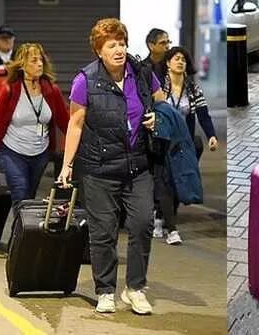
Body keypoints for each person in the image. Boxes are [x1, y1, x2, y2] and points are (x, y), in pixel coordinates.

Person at [56, 18, 165, 315]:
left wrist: (157, 117)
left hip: (138, 165)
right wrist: (67, 165)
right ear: (99, 50)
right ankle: (105, 290)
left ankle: (135, 288)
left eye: (122, 43)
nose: (119, 50)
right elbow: (75, 124)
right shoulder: (85, 80)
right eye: (112, 45)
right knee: (103, 232)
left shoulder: (141, 73)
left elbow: (162, 102)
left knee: (142, 224)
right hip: (99, 169)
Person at [0, 43, 69, 212]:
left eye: (41, 60)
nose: (40, 64)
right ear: (22, 65)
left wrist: (80, 145)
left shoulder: (52, 90)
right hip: (12, 151)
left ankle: (23, 227)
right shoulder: (9, 90)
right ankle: (20, 228)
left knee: (29, 197)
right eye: (34, 60)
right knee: (20, 194)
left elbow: (65, 122)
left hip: (40, 153)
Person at [153, 46, 219, 245]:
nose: (180, 62)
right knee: (165, 182)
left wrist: (211, 135)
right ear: (168, 63)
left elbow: (203, 114)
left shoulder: (192, 88)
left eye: (183, 59)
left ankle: (161, 216)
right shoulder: (160, 87)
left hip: (184, 143)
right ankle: (171, 228)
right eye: (176, 58)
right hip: (163, 142)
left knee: (178, 182)